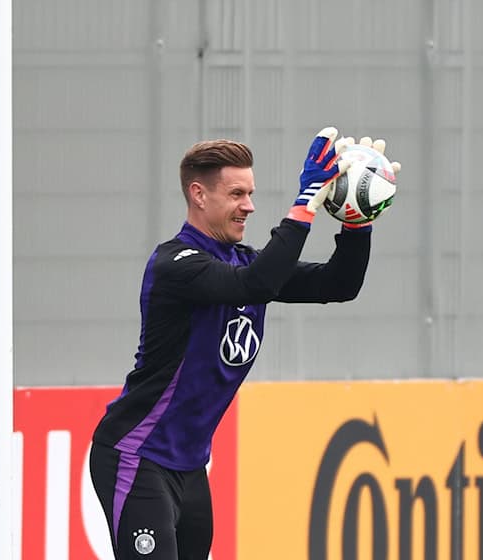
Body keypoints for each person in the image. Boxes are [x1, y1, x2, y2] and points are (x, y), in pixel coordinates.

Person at [88, 126, 400, 559]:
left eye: (250, 193)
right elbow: (256, 284)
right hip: (138, 458)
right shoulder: (176, 265)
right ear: (198, 195)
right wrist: (306, 201)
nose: (249, 206)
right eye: (236, 194)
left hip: (191, 468)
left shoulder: (244, 262)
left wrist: (356, 221)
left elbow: (339, 283)